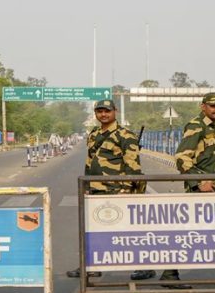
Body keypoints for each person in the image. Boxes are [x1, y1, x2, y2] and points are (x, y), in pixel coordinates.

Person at [159, 92, 215, 289]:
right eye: (214, 106)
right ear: (203, 107)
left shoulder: (212, 129)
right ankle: (169, 273)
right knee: (190, 232)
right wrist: (199, 182)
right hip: (200, 192)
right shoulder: (196, 126)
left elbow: (212, 161)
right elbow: (182, 158)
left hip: (214, 190)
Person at [66, 99, 155, 280]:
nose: (103, 114)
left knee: (130, 230)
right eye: (100, 111)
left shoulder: (125, 135)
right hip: (97, 189)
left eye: (107, 111)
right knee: (93, 229)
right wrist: (87, 186)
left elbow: (133, 166)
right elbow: (90, 162)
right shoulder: (94, 134)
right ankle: (92, 265)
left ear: (115, 111)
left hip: (118, 189)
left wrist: (127, 189)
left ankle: (145, 266)